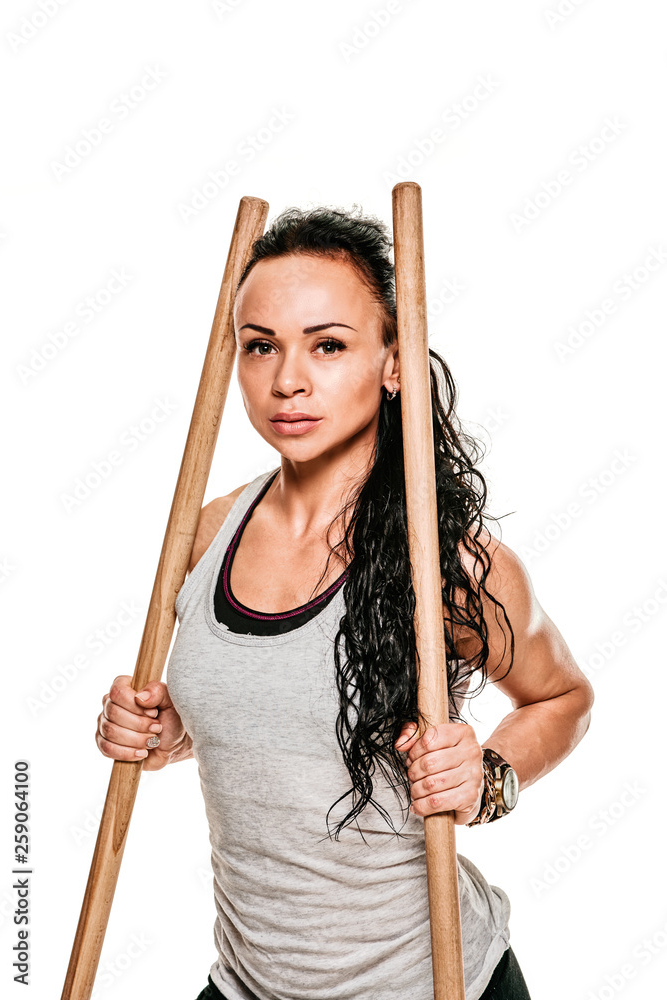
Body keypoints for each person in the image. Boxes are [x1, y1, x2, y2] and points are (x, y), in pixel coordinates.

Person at [95, 206, 594, 1000]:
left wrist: (487, 778)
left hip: (429, 982)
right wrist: (169, 731)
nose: (287, 379)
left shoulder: (449, 562)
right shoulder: (209, 529)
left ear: (393, 362)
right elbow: (269, 719)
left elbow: (565, 696)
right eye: (261, 346)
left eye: (328, 345)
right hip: (248, 982)